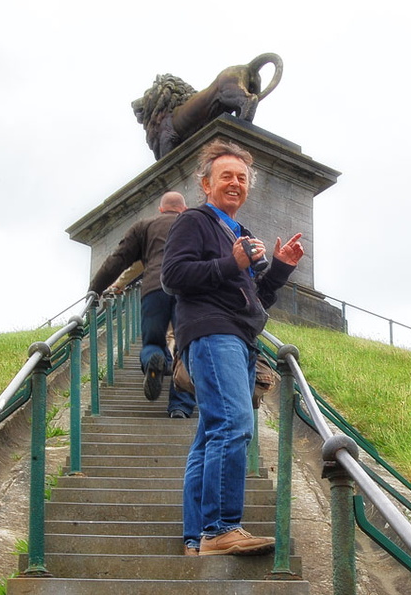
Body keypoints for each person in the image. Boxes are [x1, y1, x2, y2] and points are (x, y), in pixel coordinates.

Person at [161, 139, 305, 556]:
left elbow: (252, 298)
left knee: (211, 436)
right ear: (205, 184)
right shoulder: (195, 221)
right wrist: (233, 264)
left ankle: (196, 538)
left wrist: (278, 269)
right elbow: (173, 276)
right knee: (235, 425)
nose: (235, 183)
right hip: (211, 334)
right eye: (227, 176)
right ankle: (220, 529)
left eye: (242, 178)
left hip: (239, 337)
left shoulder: (240, 232)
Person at [88, 191, 195, 418]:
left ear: (160, 209)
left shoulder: (144, 226)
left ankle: (154, 363)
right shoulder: (194, 223)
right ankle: (180, 406)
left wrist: (95, 289)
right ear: (184, 209)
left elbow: (117, 259)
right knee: (187, 346)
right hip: (187, 290)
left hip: (154, 289)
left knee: (152, 342)